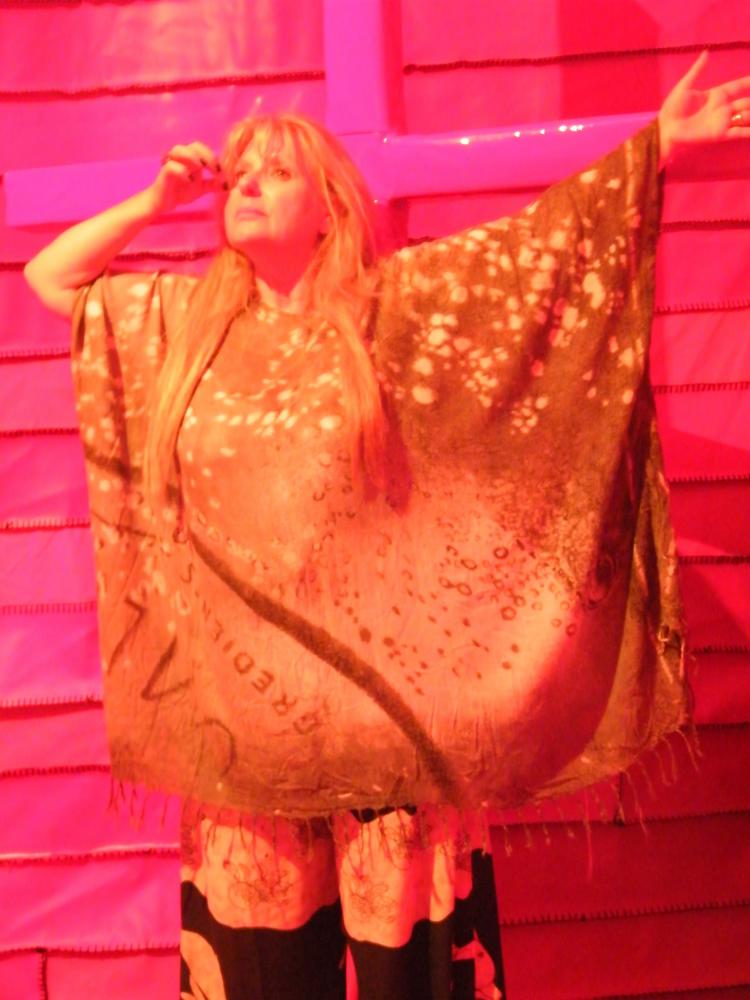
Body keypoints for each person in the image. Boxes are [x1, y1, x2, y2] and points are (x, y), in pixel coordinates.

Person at [24, 52, 750, 1000]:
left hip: (388, 729)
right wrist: (157, 203)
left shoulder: (395, 313)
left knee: (413, 980)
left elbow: (543, 253)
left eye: (276, 171)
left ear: (328, 207)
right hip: (248, 739)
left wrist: (660, 147)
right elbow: (51, 277)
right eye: (239, 173)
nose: (247, 184)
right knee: (261, 980)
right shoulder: (186, 325)